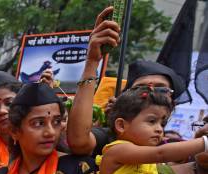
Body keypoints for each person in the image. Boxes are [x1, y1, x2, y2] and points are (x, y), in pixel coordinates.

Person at [67, 7, 186, 157]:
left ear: (172, 104)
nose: (150, 94)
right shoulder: (110, 139)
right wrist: (92, 62)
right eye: (140, 89)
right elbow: (79, 142)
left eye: (161, 90)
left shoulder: (178, 151)